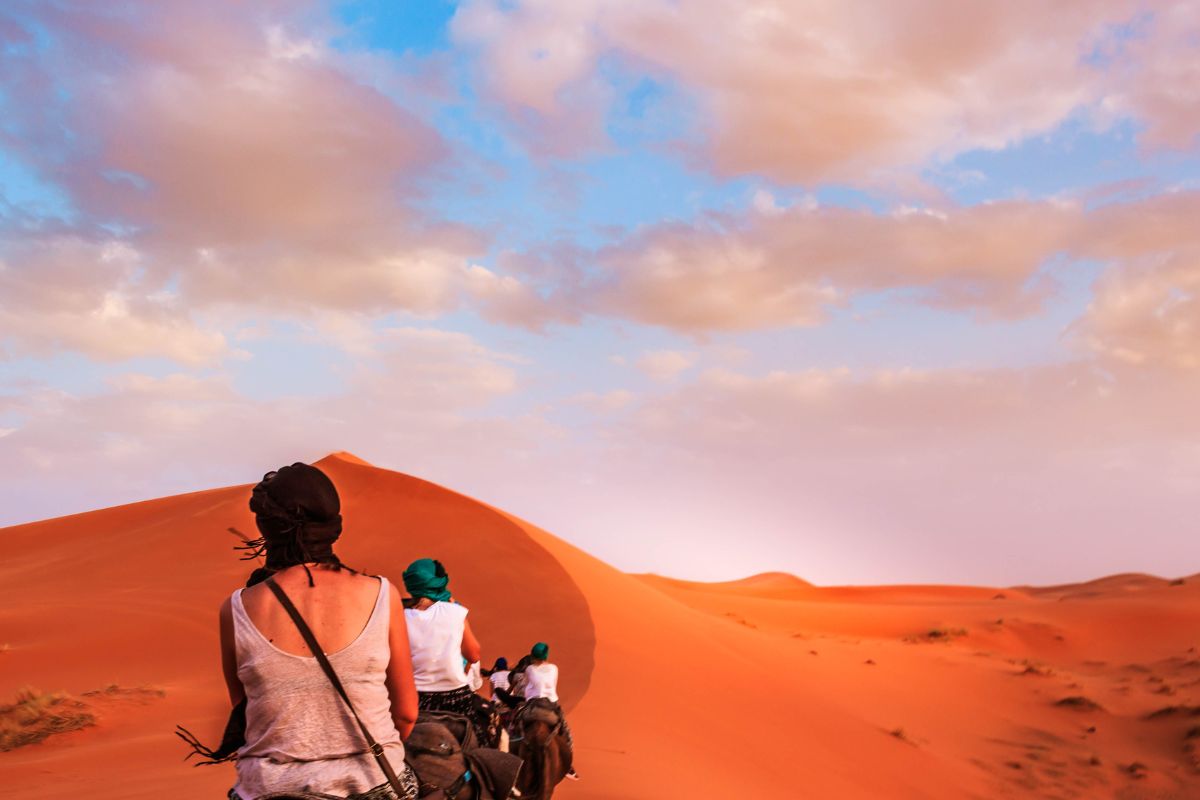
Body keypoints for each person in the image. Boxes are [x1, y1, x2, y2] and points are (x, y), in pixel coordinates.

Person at [183, 462, 421, 800]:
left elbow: (247, 712)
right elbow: (407, 713)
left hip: (269, 790)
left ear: (267, 529)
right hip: (373, 784)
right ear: (333, 525)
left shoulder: (236, 608)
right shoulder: (382, 594)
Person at [401, 558, 492, 744]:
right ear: (440, 582)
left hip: (413, 699)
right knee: (486, 734)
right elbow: (473, 655)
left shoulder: (400, 616)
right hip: (455, 698)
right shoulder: (454, 611)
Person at [522, 642, 578, 780]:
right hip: (551, 707)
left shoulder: (529, 669)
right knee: (566, 733)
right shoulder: (554, 668)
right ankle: (568, 766)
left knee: (513, 726)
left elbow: (526, 687)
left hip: (532, 707)